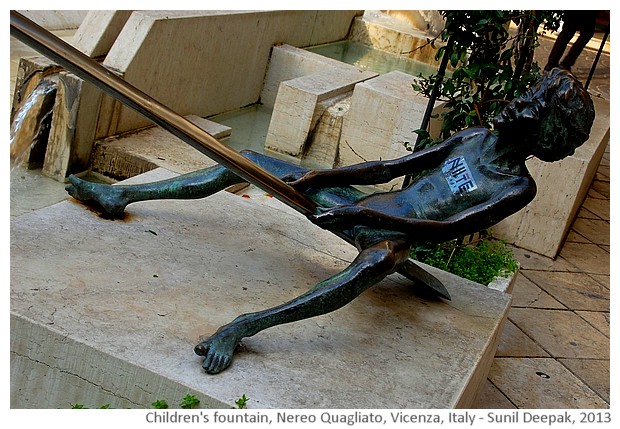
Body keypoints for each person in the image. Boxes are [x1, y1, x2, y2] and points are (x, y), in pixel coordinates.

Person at [66, 68, 594, 374]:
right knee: (249, 159)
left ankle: (242, 327)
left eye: (532, 103)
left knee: (376, 262)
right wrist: (322, 179)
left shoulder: (515, 187)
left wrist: (360, 213)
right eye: (528, 94)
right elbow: (391, 168)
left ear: (542, 129)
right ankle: (121, 197)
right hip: (359, 205)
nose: (518, 101)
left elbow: (442, 230)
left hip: (392, 235)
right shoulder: (474, 137)